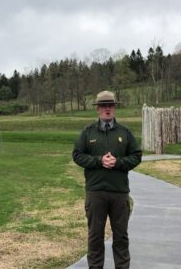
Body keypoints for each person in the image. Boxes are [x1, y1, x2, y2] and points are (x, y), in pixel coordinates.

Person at [72, 90, 142, 269]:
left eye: (110, 105)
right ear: (98, 109)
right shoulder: (88, 133)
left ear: (115, 108)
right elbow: (77, 155)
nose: (107, 109)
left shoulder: (125, 132)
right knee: (95, 236)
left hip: (119, 193)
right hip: (96, 193)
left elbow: (136, 156)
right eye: (104, 106)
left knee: (121, 237)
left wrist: (118, 162)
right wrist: (99, 160)